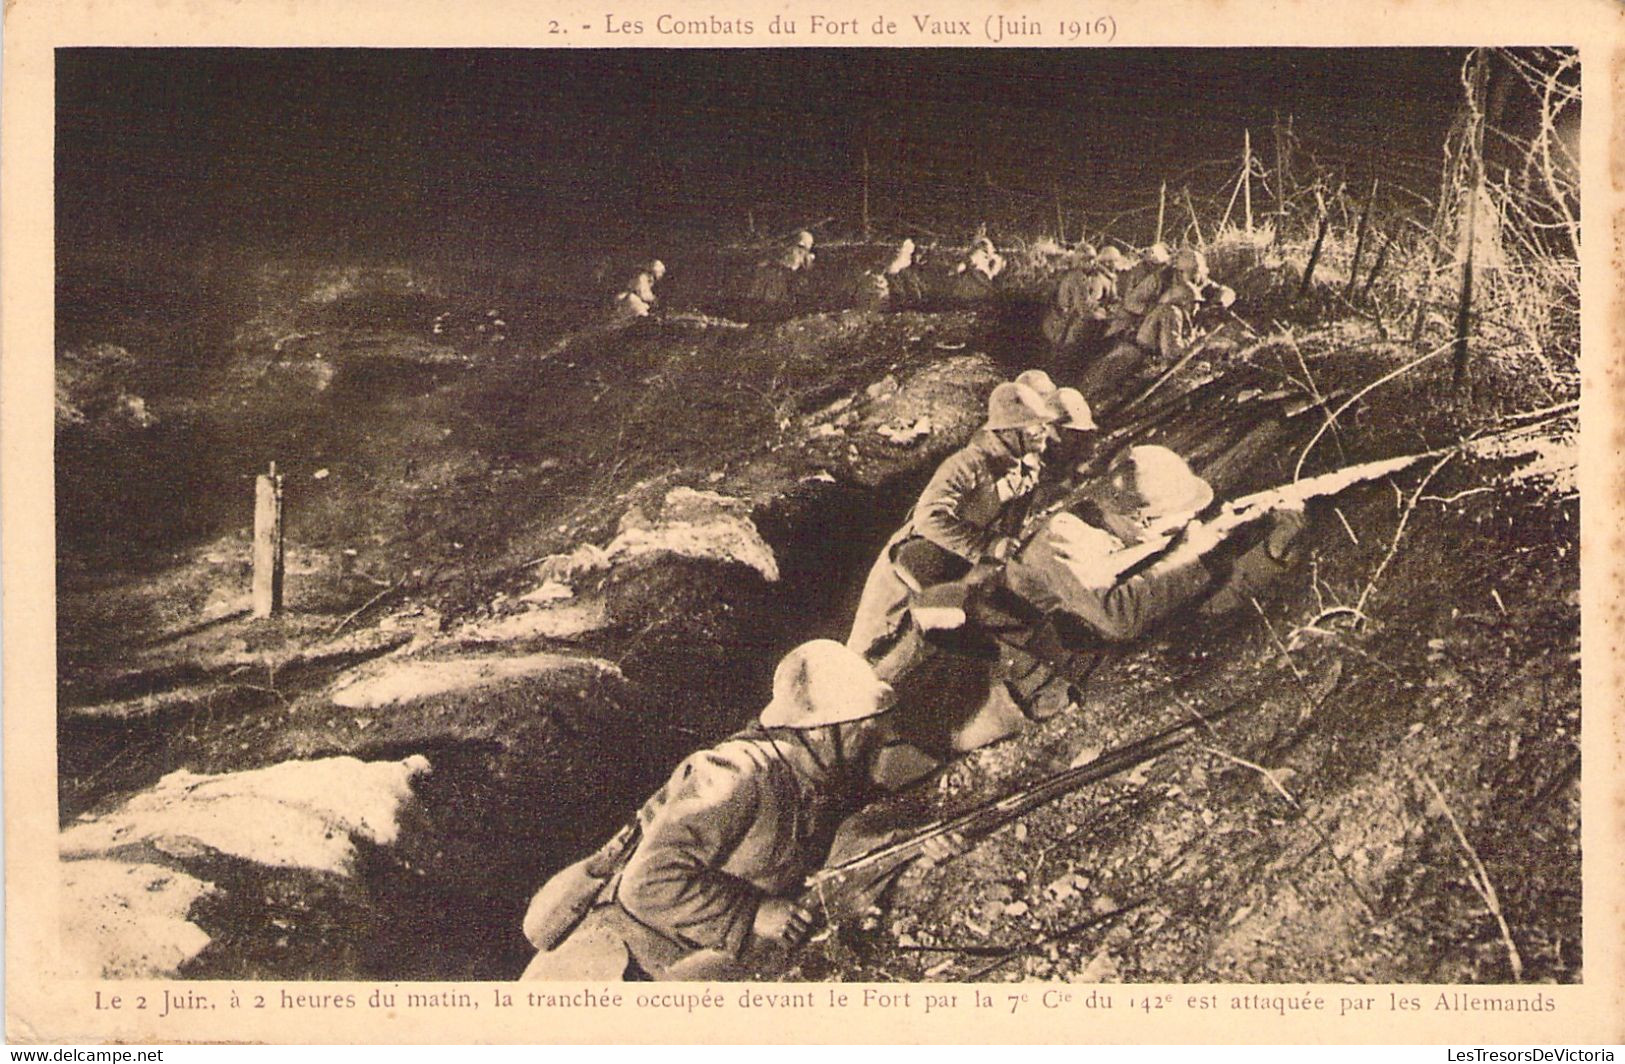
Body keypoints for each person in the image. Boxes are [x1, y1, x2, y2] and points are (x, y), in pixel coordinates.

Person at [520, 640, 898, 981]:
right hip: (601, 968)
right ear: (817, 732)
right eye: (855, 728)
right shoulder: (737, 775)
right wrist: (753, 914)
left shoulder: (812, 774)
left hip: (660, 961)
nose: (865, 736)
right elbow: (647, 883)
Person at [846, 380, 1059, 668]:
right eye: (1033, 425)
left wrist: (996, 554)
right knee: (870, 653)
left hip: (960, 561)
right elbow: (929, 518)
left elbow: (1010, 522)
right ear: (1009, 432)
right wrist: (986, 546)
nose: (1043, 431)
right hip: (912, 563)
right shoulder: (966, 465)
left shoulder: (1026, 467)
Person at [1042, 245, 1127, 359]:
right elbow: (1084, 310)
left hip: (1059, 323)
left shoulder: (1076, 274)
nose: (1092, 263)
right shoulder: (1078, 278)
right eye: (1087, 260)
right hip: (1065, 327)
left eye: (1093, 259)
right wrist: (1108, 317)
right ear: (1079, 261)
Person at [746, 230, 816, 309]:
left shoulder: (804, 256)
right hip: (780, 274)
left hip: (788, 277)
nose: (800, 250)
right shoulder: (791, 252)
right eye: (799, 246)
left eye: (803, 247)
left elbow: (804, 268)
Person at [948, 235, 1005, 300]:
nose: (992, 248)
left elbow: (963, 265)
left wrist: (953, 271)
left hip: (979, 287)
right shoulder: (980, 255)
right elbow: (963, 265)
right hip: (981, 285)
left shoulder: (978, 254)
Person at [609, 259, 666, 324]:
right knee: (640, 311)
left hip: (632, 299)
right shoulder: (642, 277)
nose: (661, 275)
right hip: (627, 299)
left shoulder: (649, 279)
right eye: (661, 272)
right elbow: (643, 294)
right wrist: (653, 299)